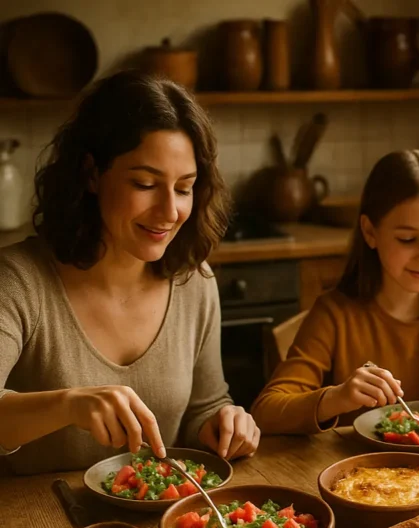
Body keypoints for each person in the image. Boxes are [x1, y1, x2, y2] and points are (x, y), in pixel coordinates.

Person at [0, 71, 259, 475]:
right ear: (90, 174)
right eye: (144, 183)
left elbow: (203, 408)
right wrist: (69, 405)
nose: (170, 212)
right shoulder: (18, 282)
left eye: (184, 187)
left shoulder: (194, 281)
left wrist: (224, 423)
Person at [252, 150, 419, 434]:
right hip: (358, 476)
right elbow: (266, 412)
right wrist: (337, 398)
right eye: (407, 239)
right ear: (370, 232)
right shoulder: (334, 314)